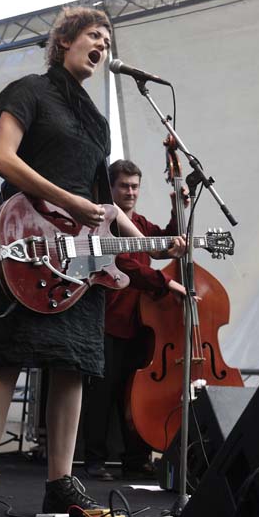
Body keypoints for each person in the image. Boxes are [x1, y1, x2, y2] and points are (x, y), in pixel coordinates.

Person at [0, 7, 185, 517]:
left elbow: (105, 208)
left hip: (80, 260)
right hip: (27, 242)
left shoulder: (99, 123)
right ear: (64, 41)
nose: (102, 43)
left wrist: (167, 241)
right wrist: (70, 202)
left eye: (106, 37)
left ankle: (61, 483)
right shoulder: (29, 91)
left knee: (74, 366)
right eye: (92, 34)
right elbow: (2, 158)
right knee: (7, 359)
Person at [83, 159, 187, 481]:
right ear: (111, 189)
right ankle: (95, 462)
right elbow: (125, 263)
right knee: (101, 395)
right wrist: (166, 283)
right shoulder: (104, 225)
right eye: (124, 186)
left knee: (134, 393)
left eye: (135, 186)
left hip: (141, 324)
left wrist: (178, 210)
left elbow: (163, 244)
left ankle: (137, 457)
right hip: (109, 321)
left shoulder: (139, 223)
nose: (130, 192)